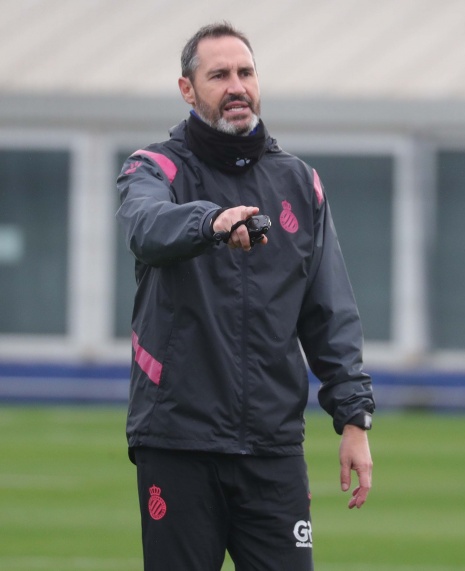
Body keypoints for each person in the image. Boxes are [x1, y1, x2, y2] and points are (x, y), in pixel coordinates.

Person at [115, 21, 375, 571]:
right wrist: (210, 223)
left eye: (246, 72)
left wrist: (354, 419)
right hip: (178, 442)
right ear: (187, 90)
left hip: (272, 448)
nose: (236, 86)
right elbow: (146, 226)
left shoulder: (300, 183)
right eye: (219, 76)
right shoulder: (153, 168)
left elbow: (328, 312)